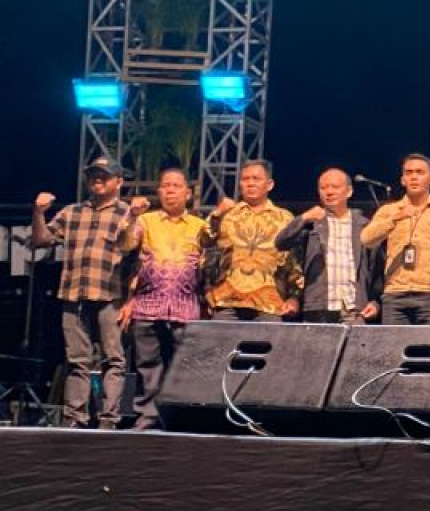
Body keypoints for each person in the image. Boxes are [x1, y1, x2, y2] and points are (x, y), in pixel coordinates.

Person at [30, 157, 148, 429]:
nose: (97, 179)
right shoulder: (72, 212)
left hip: (110, 296)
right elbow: (40, 240)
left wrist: (133, 216)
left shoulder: (127, 213)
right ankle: (75, 418)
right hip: (73, 294)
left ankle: (108, 420)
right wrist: (38, 213)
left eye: (104, 175)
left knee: (113, 359)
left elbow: (129, 246)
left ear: (119, 182)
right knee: (76, 360)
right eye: (93, 174)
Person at [119, 167, 206, 430]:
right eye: (165, 186)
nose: (170, 191)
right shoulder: (146, 221)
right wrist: (132, 215)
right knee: (148, 365)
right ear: (159, 192)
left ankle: (181, 417)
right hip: (149, 303)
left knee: (185, 365)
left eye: (176, 186)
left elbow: (208, 266)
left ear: (187, 193)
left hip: (185, 306)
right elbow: (125, 246)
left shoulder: (200, 226)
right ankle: (149, 416)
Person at [275, 168, 381, 325]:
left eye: (335, 187)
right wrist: (303, 218)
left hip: (354, 308)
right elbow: (281, 242)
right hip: (318, 307)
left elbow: (376, 268)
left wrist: (375, 301)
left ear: (349, 192)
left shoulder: (363, 225)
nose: (329, 192)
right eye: (323, 188)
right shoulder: (312, 225)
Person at [204, 159, 301, 321]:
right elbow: (204, 243)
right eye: (245, 179)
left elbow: (294, 261)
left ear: (269, 185)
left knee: (267, 338)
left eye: (256, 179)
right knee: (218, 338)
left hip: (270, 302)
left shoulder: (285, 219)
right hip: (226, 299)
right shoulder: (228, 214)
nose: (250, 183)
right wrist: (217, 214)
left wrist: (294, 297)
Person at [361, 153, 430, 325]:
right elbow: (366, 239)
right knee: (393, 342)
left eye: (420, 172)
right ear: (402, 180)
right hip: (395, 293)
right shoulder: (388, 211)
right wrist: (394, 219)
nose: (414, 177)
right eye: (409, 173)